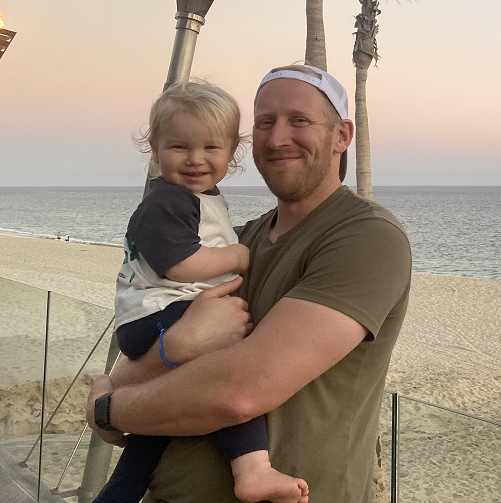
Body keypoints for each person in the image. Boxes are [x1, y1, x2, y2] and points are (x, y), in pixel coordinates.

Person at [87, 65, 412, 503]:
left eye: (299, 120)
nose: (277, 138)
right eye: (264, 122)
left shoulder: (366, 238)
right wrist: (176, 346)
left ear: (341, 136)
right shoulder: (237, 242)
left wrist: (107, 410)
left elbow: (237, 393)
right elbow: (134, 367)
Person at [93, 81, 308, 503]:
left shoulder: (196, 199)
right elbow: (181, 264)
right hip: (163, 311)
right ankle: (253, 469)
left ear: (232, 152)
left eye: (211, 147)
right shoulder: (170, 201)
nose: (195, 159)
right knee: (228, 368)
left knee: (158, 427)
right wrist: (237, 255)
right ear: (155, 149)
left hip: (158, 313)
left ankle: (118, 494)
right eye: (179, 147)